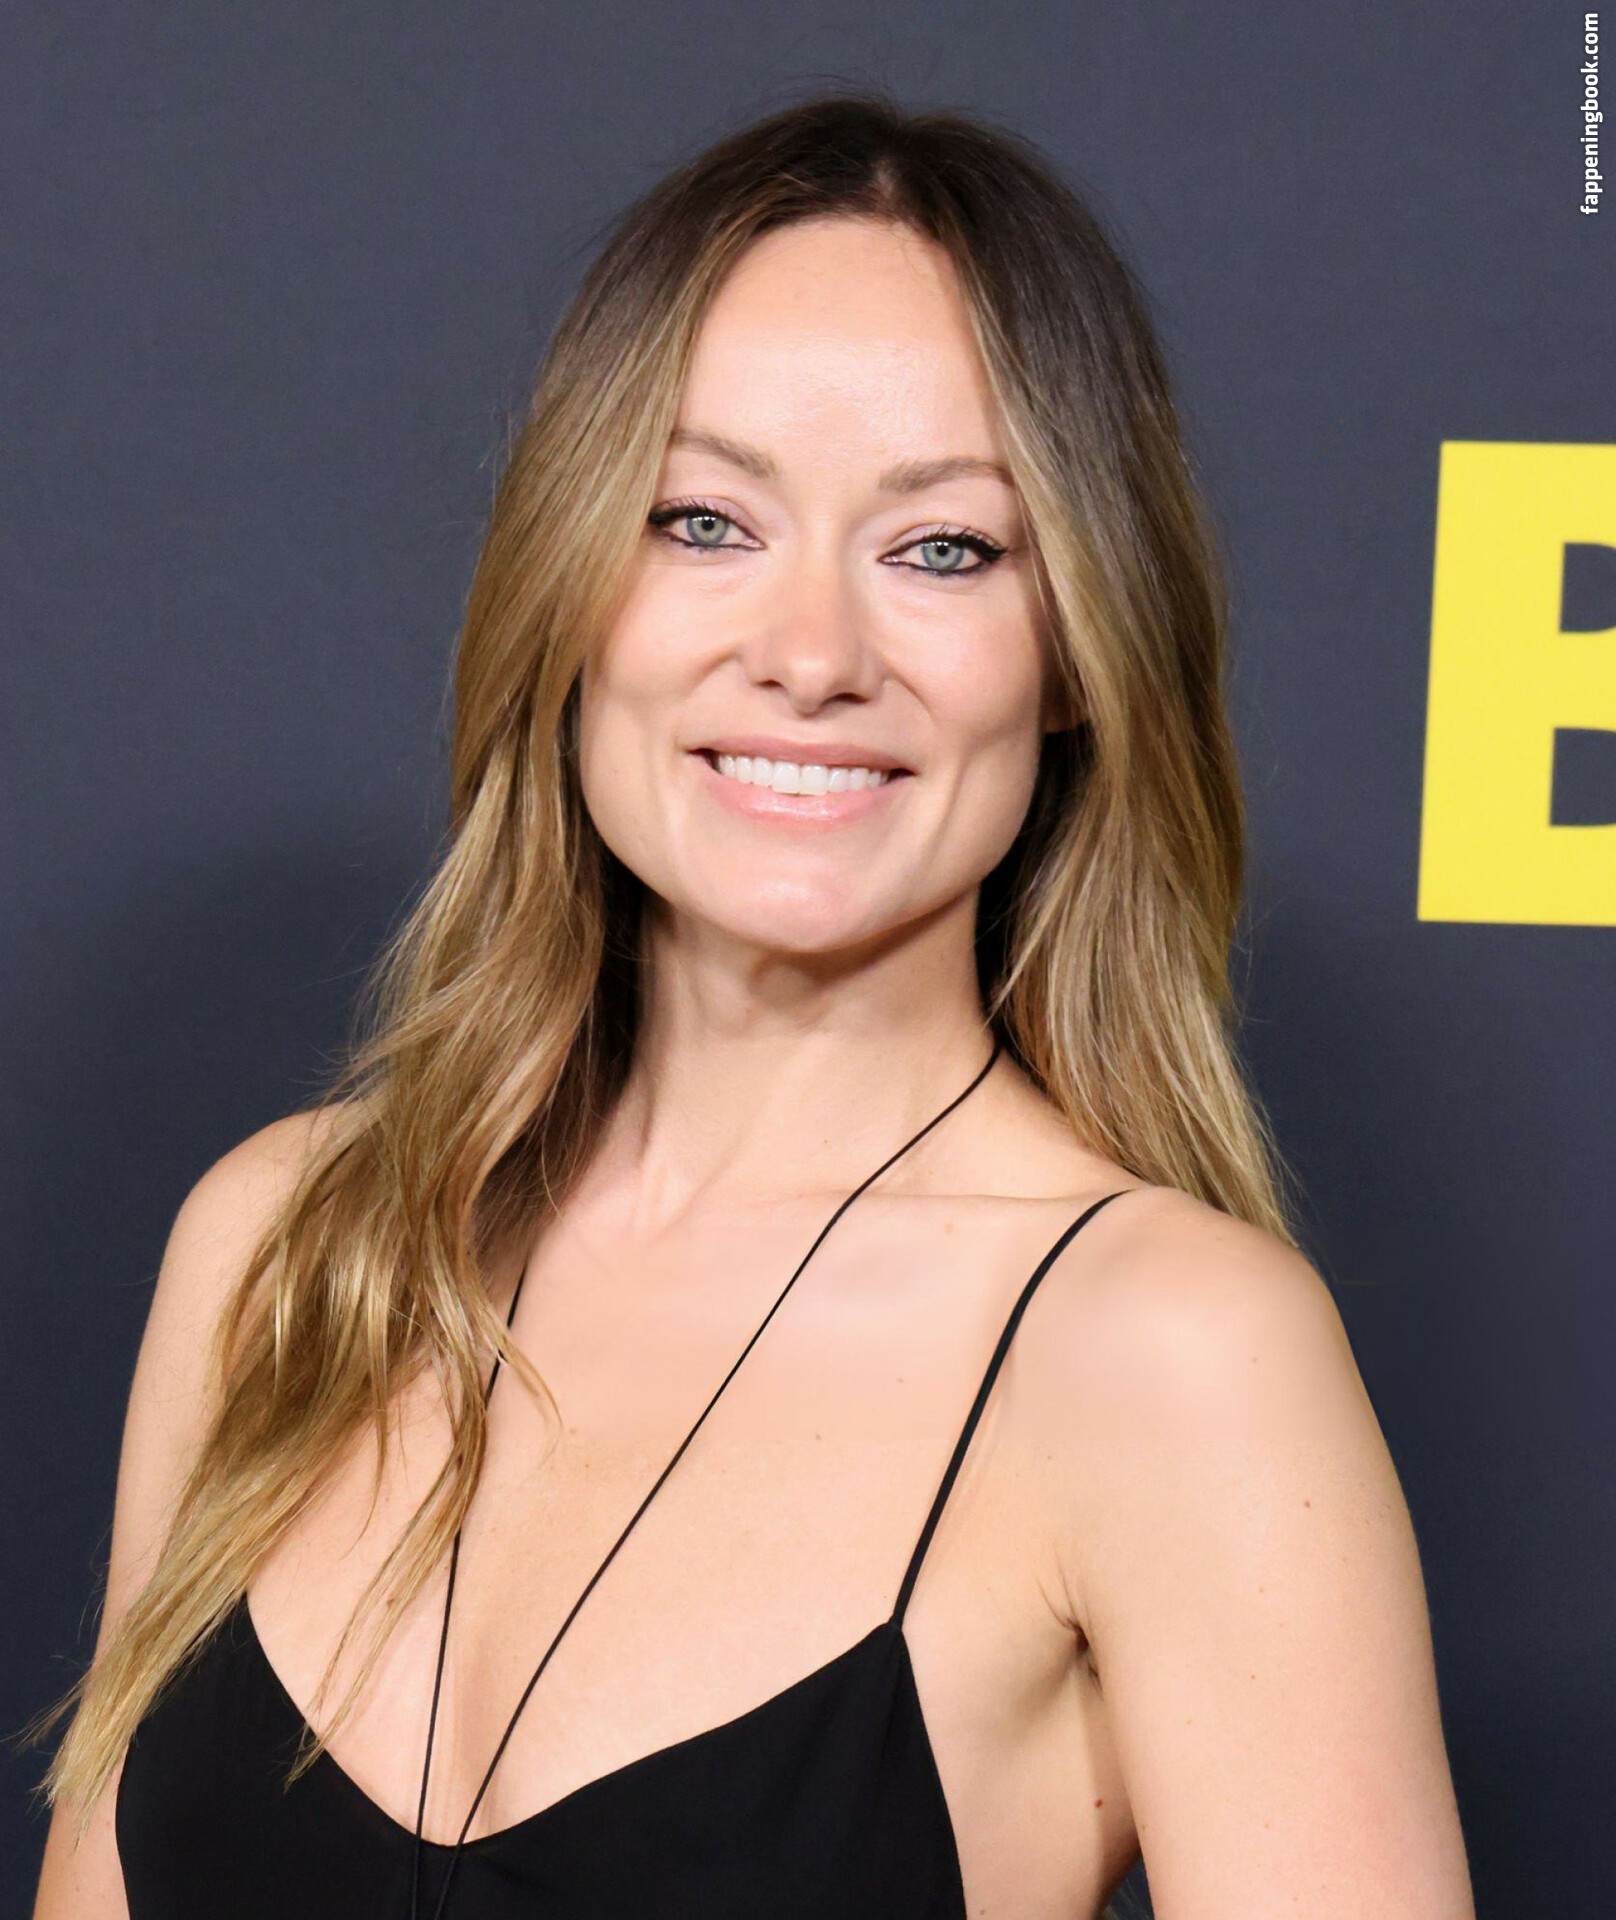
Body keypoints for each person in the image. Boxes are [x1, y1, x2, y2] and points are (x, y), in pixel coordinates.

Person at [28, 90, 1474, 1920]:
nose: (809, 655)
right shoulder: (284, 1250)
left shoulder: (1174, 1358)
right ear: (568, 588)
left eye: (942, 548)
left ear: (1076, 653)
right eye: (703, 521)